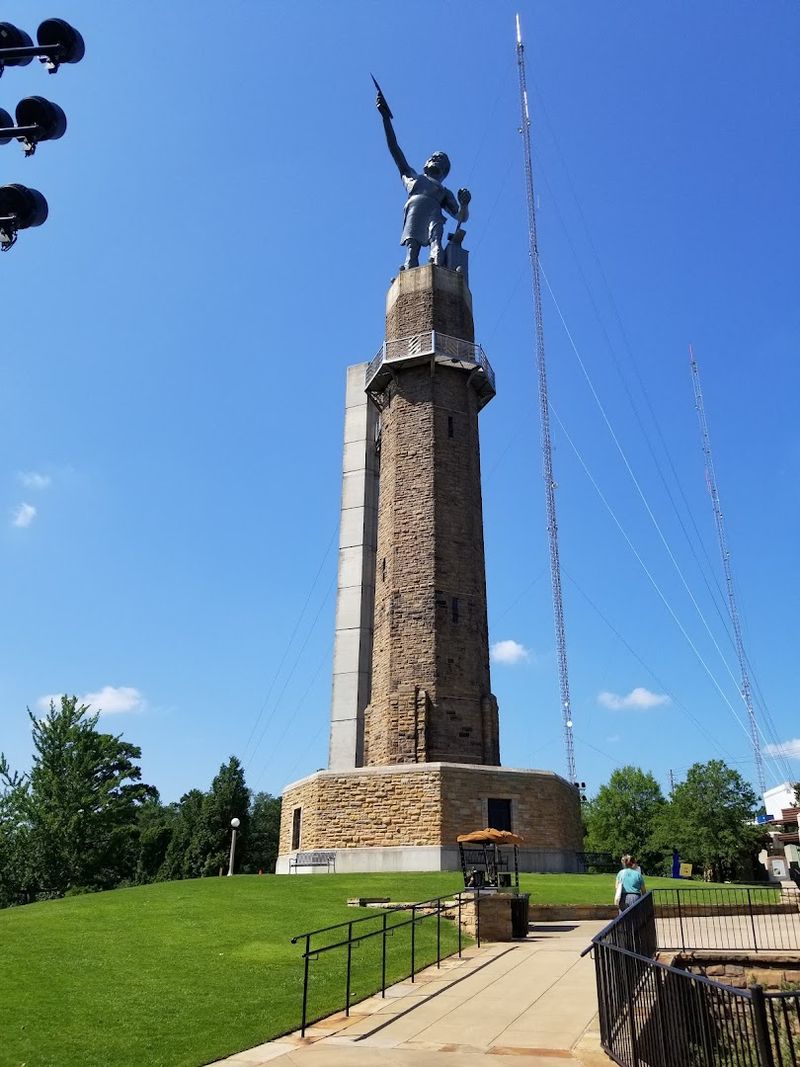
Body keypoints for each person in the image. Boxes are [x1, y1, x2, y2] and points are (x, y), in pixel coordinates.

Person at [376, 86, 471, 270]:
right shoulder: (411, 176)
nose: (436, 159)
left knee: (436, 237)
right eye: (433, 157)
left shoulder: (443, 191)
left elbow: (460, 216)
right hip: (414, 210)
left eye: (441, 160)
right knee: (412, 244)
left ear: (444, 171)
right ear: (425, 163)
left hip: (434, 213)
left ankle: (436, 263)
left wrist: (465, 204)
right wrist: (386, 118)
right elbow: (394, 148)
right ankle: (409, 267)